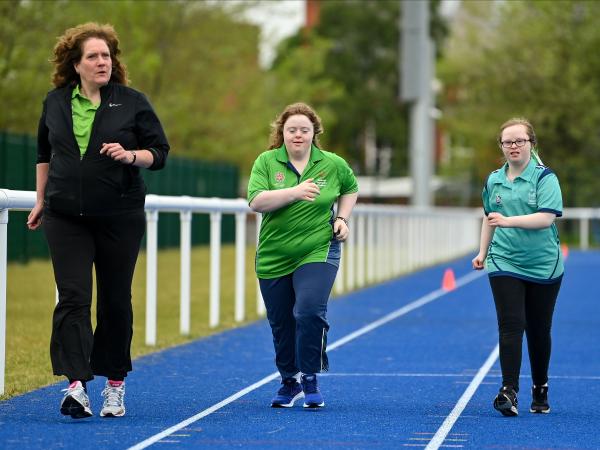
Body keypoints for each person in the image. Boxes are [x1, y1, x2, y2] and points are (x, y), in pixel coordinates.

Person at [26, 23, 169, 419]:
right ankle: (75, 385)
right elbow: (43, 155)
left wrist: (130, 155)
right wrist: (41, 200)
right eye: (94, 56)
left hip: (119, 216)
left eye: (107, 55)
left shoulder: (132, 102)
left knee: (114, 301)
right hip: (65, 215)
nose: (103, 61)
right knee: (72, 298)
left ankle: (114, 386)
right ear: (76, 64)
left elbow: (160, 152)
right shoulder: (54, 103)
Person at [247, 103, 358, 408]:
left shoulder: (332, 163)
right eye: (292, 129)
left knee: (308, 311)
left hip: (318, 248)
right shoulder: (267, 162)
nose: (298, 135)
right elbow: (256, 201)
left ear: (314, 134)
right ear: (281, 132)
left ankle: (309, 376)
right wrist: (294, 192)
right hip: (274, 254)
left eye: (304, 130)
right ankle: (288, 381)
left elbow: (350, 188)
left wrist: (342, 219)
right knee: (281, 322)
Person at [472, 118, 563, 417]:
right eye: (507, 142)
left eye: (519, 141)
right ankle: (508, 390)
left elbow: (546, 218)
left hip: (544, 265)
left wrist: (508, 221)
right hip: (504, 260)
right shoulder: (494, 180)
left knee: (539, 329)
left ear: (530, 144)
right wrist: (483, 252)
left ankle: (540, 388)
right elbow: (490, 218)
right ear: (501, 146)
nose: (513, 146)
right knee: (511, 324)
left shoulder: (545, 178)